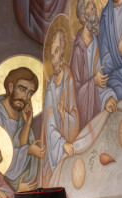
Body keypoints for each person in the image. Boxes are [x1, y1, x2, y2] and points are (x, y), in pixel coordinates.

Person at [0, 67, 43, 191]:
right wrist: (28, 150)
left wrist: (27, 124)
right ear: (11, 87)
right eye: (22, 89)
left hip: (15, 182)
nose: (25, 97)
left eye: (30, 93)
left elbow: (20, 147)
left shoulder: (22, 114)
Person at [71, 0, 117, 129]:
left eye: (92, 3)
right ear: (82, 17)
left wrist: (108, 97)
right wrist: (94, 82)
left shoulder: (97, 41)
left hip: (98, 102)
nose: (93, 7)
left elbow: (101, 81)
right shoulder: (78, 50)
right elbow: (76, 94)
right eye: (88, 5)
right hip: (86, 118)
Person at [42, 30, 80, 185]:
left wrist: (64, 115)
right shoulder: (51, 88)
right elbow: (49, 126)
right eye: (52, 55)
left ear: (64, 51)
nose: (54, 59)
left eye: (57, 52)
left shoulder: (69, 77)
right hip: (57, 148)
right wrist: (62, 142)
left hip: (70, 144)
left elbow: (75, 115)